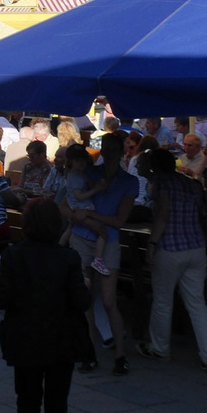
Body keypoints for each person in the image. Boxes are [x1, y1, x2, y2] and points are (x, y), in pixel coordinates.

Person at [0, 198, 91, 413]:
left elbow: (1, 299)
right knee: (57, 403)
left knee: (28, 397)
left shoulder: (13, 256)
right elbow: (81, 301)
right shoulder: (68, 258)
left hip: (24, 339)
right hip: (61, 341)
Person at [136, 149, 207, 372]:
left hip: (170, 247)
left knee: (163, 300)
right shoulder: (191, 184)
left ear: (155, 165)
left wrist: (152, 244)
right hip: (196, 247)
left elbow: (162, 215)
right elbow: (201, 213)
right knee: (197, 303)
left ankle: (159, 348)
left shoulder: (162, 184)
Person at [59, 144, 135, 375]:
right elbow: (65, 204)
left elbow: (120, 220)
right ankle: (88, 352)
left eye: (114, 151)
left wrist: (90, 215)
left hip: (107, 240)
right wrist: (90, 221)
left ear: (121, 153)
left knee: (109, 301)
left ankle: (120, 355)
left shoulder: (129, 181)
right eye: (106, 151)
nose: (109, 156)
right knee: (85, 300)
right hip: (83, 237)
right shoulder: (88, 173)